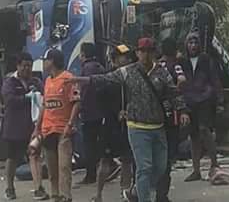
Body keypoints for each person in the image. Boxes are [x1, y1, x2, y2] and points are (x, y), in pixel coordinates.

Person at [74, 38, 190, 202]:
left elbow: (173, 92)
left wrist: (183, 110)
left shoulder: (161, 72)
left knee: (161, 167)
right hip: (137, 126)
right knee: (144, 167)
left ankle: (135, 191)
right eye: (143, 51)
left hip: (158, 126)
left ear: (154, 53)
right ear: (137, 53)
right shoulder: (128, 71)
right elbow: (105, 79)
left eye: (149, 51)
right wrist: (83, 80)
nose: (146, 55)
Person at [32, 48, 80, 202]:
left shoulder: (68, 78)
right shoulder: (47, 81)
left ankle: (66, 196)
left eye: (46, 60)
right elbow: (45, 106)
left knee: (64, 166)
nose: (44, 63)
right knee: (52, 169)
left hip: (63, 130)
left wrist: (70, 124)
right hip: (47, 130)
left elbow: (76, 102)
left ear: (52, 61)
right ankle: (55, 195)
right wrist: (37, 128)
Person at [91, 44, 135, 202]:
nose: (128, 59)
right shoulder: (107, 76)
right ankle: (98, 194)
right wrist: (115, 112)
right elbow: (100, 100)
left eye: (129, 57)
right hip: (110, 124)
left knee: (127, 159)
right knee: (104, 160)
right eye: (124, 57)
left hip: (128, 124)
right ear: (115, 59)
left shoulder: (133, 76)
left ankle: (125, 192)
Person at [178, 32, 223, 181]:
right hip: (190, 100)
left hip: (204, 99)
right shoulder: (182, 61)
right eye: (190, 43)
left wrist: (219, 100)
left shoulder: (206, 59)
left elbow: (215, 79)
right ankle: (196, 170)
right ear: (186, 45)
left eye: (195, 43)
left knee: (205, 130)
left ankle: (214, 164)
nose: (193, 46)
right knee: (194, 135)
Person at [1, 52, 45, 201]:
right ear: (18, 66)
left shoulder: (36, 81)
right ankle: (9, 187)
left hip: (32, 126)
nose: (27, 69)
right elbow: (9, 100)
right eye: (24, 65)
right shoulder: (10, 82)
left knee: (35, 155)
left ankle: (39, 188)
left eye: (29, 66)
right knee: (12, 159)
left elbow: (44, 96)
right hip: (14, 127)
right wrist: (26, 98)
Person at [157, 38, 186, 202]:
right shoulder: (175, 65)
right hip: (172, 116)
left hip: (157, 114)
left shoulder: (157, 66)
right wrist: (175, 90)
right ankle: (162, 194)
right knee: (167, 157)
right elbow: (182, 80)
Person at [78, 43, 105, 186]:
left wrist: (80, 107)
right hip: (101, 111)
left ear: (83, 54)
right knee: (98, 144)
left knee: (89, 144)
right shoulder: (100, 67)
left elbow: (85, 91)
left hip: (89, 113)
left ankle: (90, 175)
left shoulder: (87, 69)